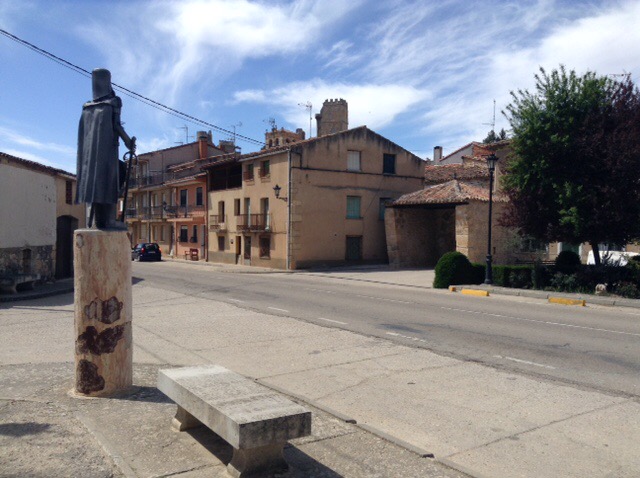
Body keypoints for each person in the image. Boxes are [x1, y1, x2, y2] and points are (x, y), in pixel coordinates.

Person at [76, 68, 135, 229]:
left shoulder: (87, 107)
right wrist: (127, 141)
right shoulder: (113, 102)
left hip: (90, 157)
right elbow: (116, 125)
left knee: (97, 183)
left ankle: (98, 221)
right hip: (108, 151)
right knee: (111, 181)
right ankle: (108, 221)